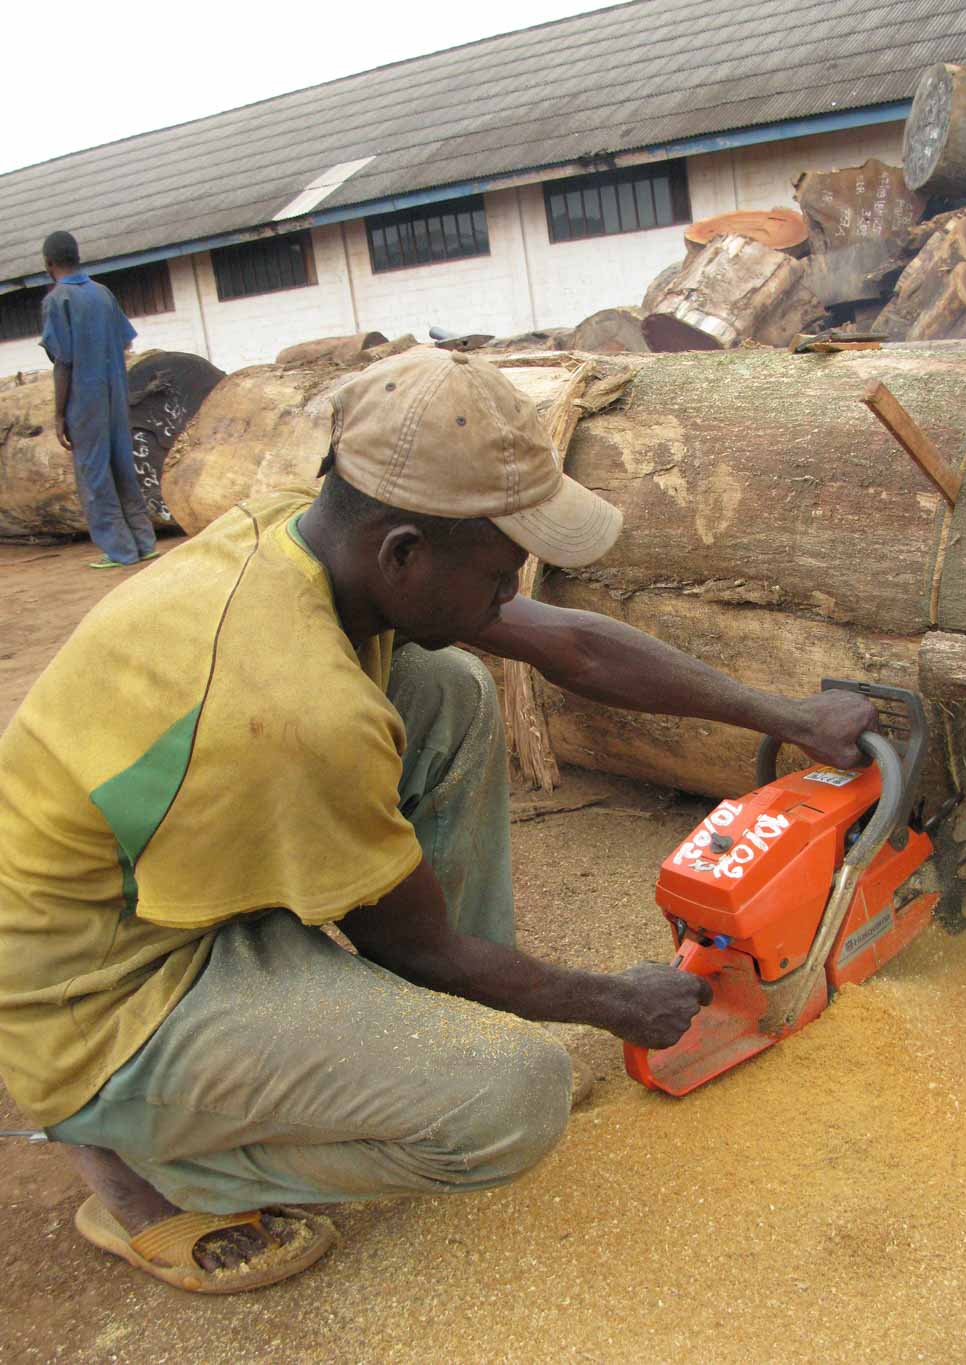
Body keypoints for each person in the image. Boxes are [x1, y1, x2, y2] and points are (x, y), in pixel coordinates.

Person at [0, 348, 876, 1294]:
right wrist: (616, 1002)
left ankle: (454, 1026)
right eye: (502, 573)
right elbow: (421, 949)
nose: (510, 595)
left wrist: (786, 716)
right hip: (99, 996)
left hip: (158, 881)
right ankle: (139, 1164)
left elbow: (574, 647)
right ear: (404, 552)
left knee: (449, 687)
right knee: (514, 1099)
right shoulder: (302, 711)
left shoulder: (314, 535)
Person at [40, 230, 158, 569]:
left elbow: (63, 362)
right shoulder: (103, 293)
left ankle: (120, 550)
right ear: (77, 258)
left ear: (49, 264)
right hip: (115, 392)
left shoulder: (57, 300)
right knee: (123, 467)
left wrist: (59, 414)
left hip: (83, 398)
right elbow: (124, 341)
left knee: (94, 474)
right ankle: (143, 542)